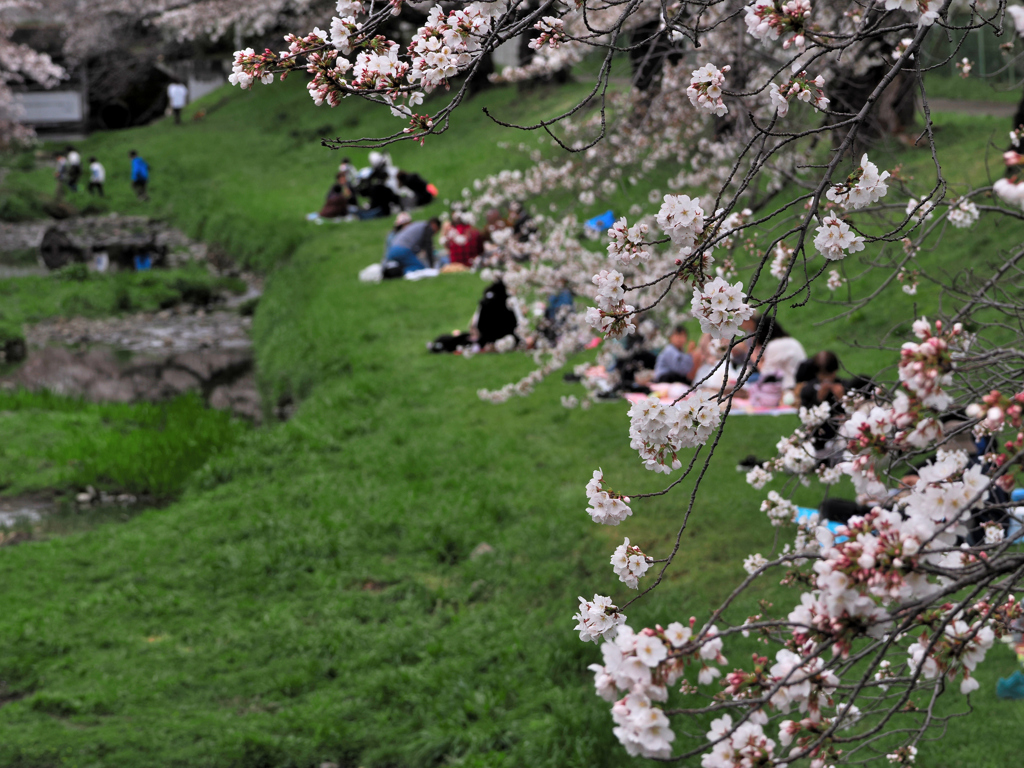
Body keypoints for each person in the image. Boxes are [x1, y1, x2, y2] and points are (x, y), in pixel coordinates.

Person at [752, 318, 806, 389]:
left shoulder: (773, 346)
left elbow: (767, 374)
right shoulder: (791, 340)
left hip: (793, 386)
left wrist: (755, 359)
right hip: (803, 380)